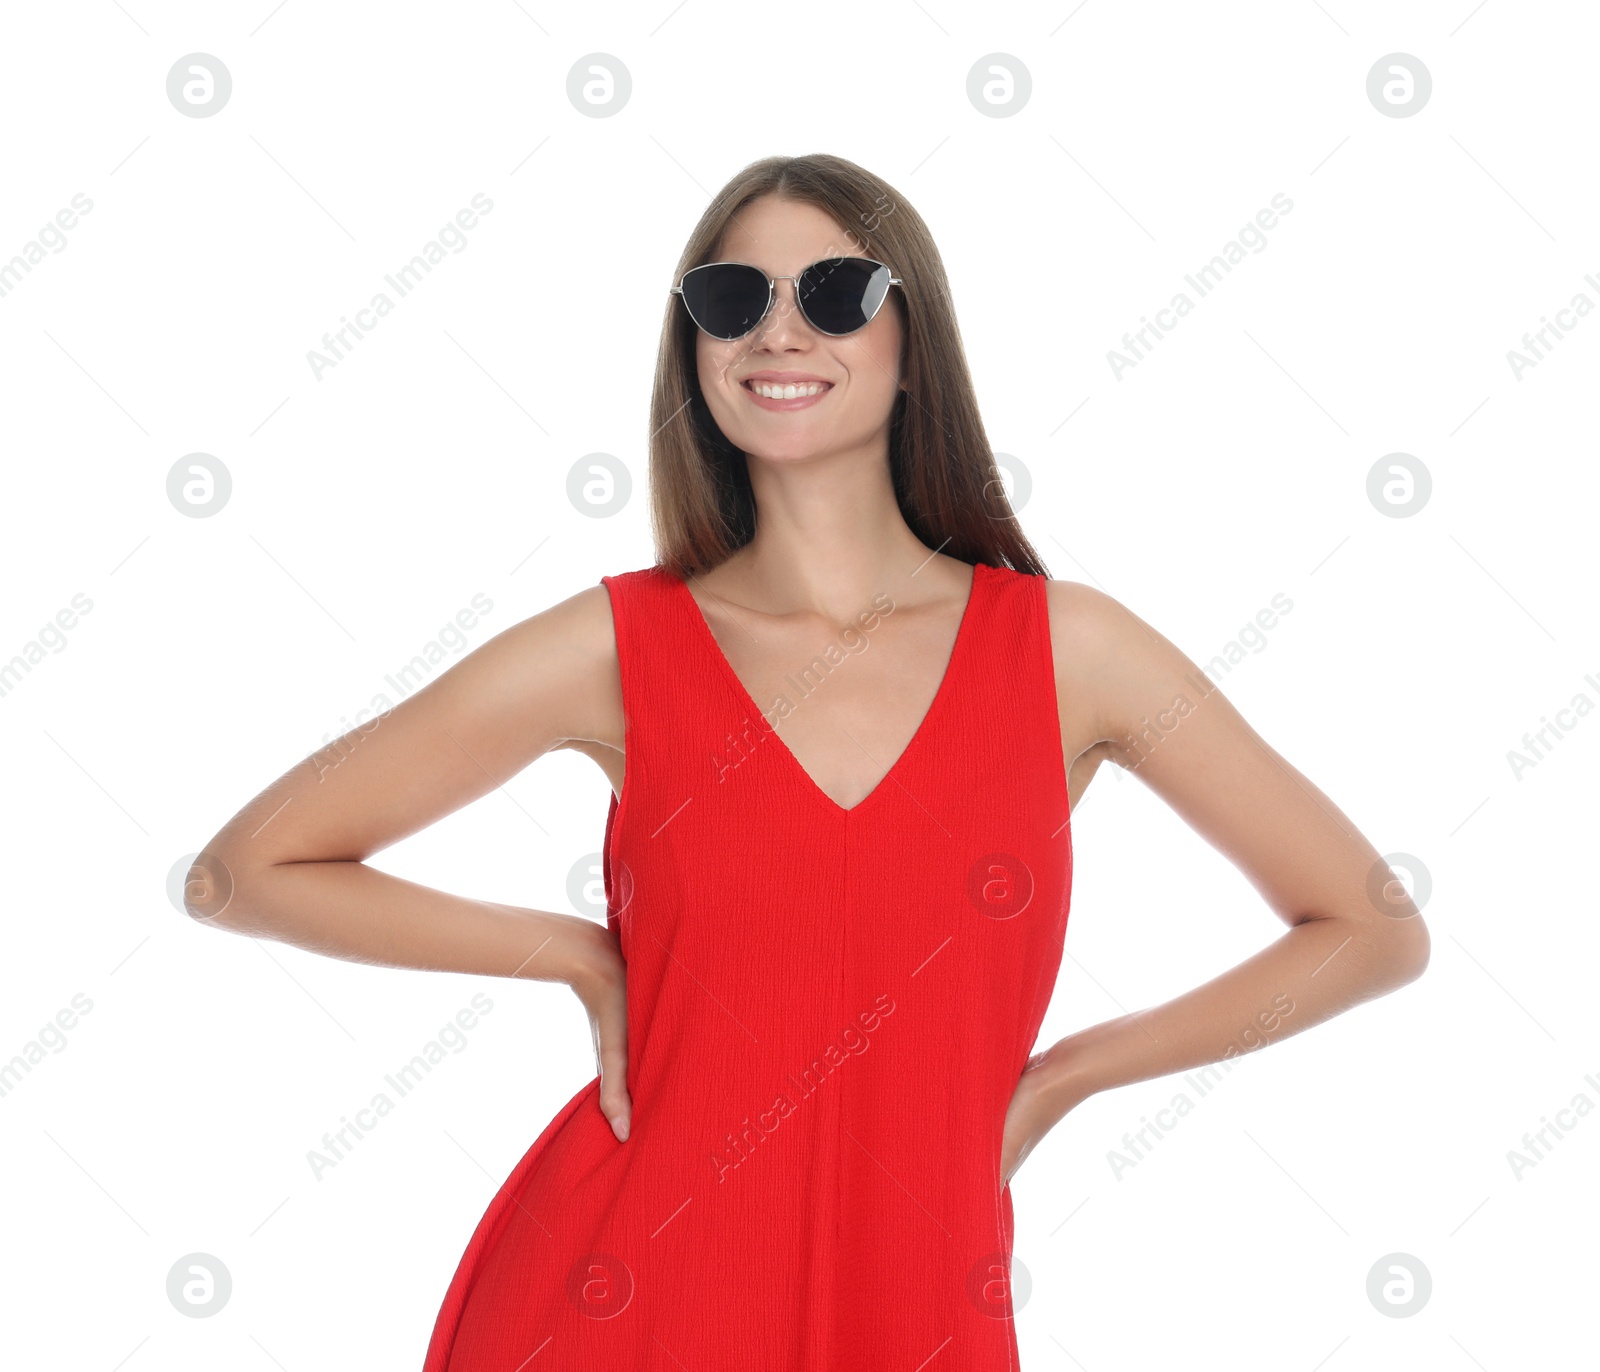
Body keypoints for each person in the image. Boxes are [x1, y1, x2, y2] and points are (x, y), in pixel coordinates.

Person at [186, 153, 1430, 1368]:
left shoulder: (1069, 653)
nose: (778, 333)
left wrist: (1058, 1083)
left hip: (917, 1302)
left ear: (912, 342)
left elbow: (1369, 928)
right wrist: (568, 950)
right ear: (695, 350)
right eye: (734, 301)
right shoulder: (618, 648)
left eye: (833, 294)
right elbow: (242, 871)